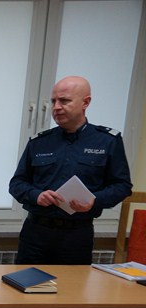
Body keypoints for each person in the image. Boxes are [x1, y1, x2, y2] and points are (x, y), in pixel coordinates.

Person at [9, 75, 132, 265]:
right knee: (25, 282)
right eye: (53, 101)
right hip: (36, 232)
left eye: (64, 101)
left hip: (77, 235)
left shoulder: (107, 141)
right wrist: (36, 195)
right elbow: (17, 184)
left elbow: (122, 186)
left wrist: (94, 200)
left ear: (85, 103)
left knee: (72, 285)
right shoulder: (39, 142)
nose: (56, 107)